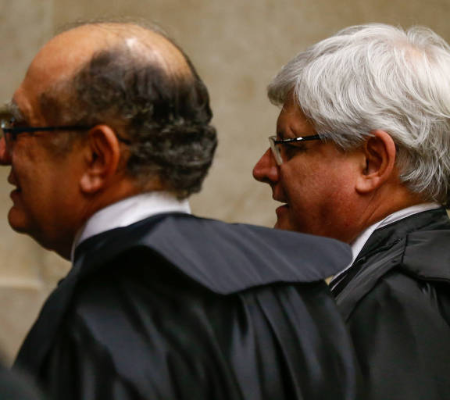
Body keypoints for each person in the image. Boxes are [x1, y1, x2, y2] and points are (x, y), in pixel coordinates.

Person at [0, 21, 361, 399]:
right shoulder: (294, 291)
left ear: (97, 157)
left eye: (20, 128)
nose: (4, 151)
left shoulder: (102, 313)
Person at [253, 23, 450, 400]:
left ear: (373, 162)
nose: (263, 169)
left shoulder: (398, 300)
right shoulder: (404, 280)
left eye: (290, 146)